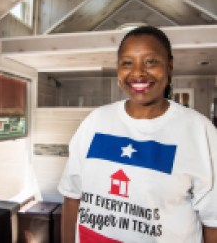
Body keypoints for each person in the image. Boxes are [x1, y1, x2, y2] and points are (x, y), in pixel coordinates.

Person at [58, 26, 217, 243]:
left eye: (150, 61)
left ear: (169, 65)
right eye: (127, 63)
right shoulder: (95, 122)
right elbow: (72, 197)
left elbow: (213, 221)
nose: (138, 73)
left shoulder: (200, 131)